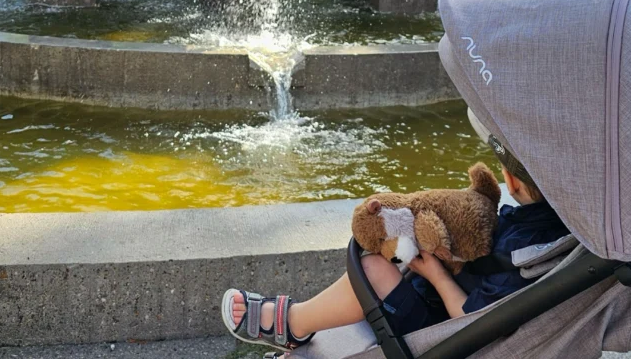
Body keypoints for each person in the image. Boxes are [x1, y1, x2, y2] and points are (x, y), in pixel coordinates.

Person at [221, 109, 569, 353]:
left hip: (442, 334)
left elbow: (472, 319)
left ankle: (292, 325)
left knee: (371, 267)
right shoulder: (550, 233)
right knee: (392, 246)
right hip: (432, 299)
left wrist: (436, 275)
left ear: (508, 180)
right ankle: (306, 322)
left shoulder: (525, 250)